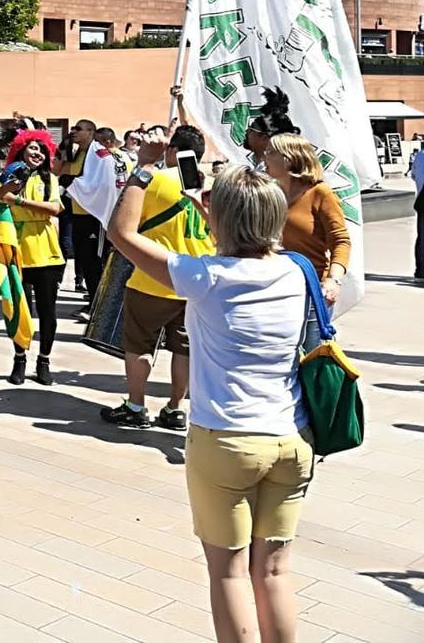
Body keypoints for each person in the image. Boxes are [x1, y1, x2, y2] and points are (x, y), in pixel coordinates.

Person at [106, 161, 314, 643]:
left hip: (227, 440)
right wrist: (220, 217)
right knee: (275, 571)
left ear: (219, 218)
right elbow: (248, 243)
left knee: (228, 572)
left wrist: (142, 172)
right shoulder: (297, 271)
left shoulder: (204, 276)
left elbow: (121, 234)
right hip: (292, 438)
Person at [100, 125, 215, 431]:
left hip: (152, 277)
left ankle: (136, 405)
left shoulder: (156, 180)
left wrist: (144, 165)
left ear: (173, 150)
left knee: (139, 345)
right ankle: (176, 407)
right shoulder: (213, 186)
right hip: (196, 280)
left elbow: (124, 223)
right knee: (184, 348)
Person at [0, 130, 65, 385]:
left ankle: (44, 361)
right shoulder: (7, 177)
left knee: (48, 312)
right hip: (16, 252)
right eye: (32, 148)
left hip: (46, 253)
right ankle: (20, 358)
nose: (37, 153)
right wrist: (6, 189)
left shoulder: (50, 179)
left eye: (42, 150)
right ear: (21, 150)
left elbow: (55, 208)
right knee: (19, 311)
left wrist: (19, 201)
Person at [264, 134, 350, 306]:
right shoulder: (271, 193)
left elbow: (340, 241)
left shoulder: (320, 193)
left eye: (271, 152)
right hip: (275, 285)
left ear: (288, 159)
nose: (264, 157)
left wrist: (334, 280)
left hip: (312, 289)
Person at [62, 119, 105, 301]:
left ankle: (97, 301)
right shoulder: (77, 152)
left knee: (93, 261)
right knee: (84, 260)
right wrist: (63, 149)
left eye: (78, 129)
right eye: (73, 128)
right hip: (76, 213)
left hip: (92, 216)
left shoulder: (98, 154)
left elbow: (99, 181)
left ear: (90, 132)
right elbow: (59, 171)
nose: (74, 131)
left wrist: (68, 182)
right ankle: (92, 298)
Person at [414, 137, 424, 282]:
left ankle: (420, 271)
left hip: (423, 201)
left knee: (422, 238)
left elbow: (414, 175)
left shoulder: (420, 155)